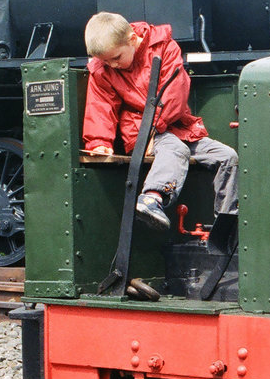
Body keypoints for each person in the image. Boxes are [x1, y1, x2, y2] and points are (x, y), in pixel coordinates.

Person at [81, 12, 238, 230]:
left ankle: (226, 226)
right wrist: (99, 142)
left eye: (116, 58)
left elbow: (174, 93)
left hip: (176, 126)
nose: (113, 65)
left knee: (228, 157)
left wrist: (156, 126)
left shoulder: (165, 47)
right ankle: (151, 198)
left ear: (132, 39)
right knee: (176, 149)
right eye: (106, 61)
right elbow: (100, 106)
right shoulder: (103, 70)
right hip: (141, 130)